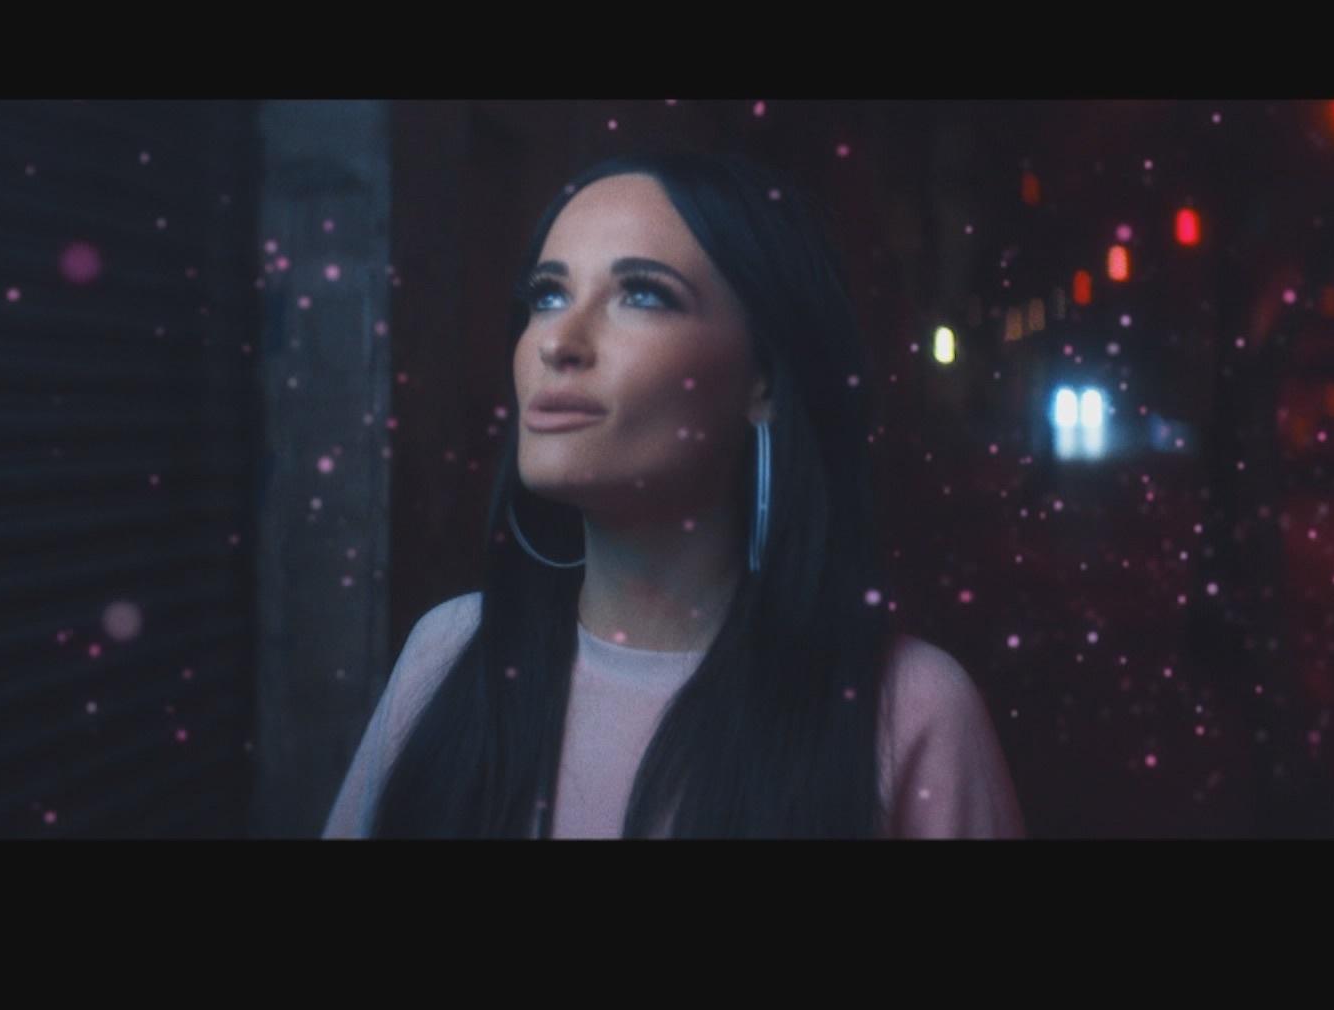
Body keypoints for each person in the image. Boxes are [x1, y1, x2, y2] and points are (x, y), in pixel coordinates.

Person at [322, 150, 1025, 839]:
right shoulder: (446, 656)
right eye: (548, 294)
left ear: (765, 380)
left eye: (642, 294)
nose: (558, 341)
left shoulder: (907, 714)